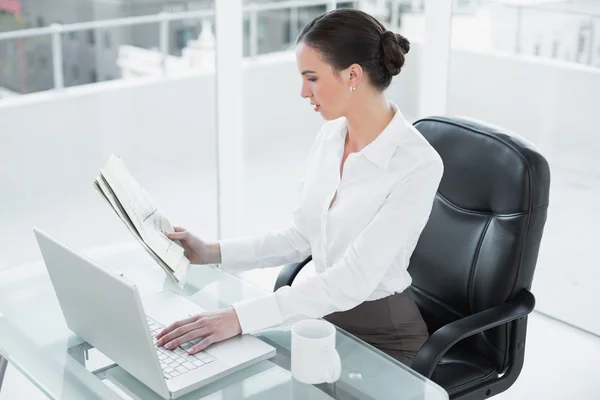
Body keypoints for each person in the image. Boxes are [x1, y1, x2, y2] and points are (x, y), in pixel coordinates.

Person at [156, 8, 443, 367]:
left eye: (312, 78)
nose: (303, 92)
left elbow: (354, 278)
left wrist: (240, 317)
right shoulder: (331, 137)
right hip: (319, 318)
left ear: (353, 74)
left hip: (384, 336)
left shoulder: (417, 164)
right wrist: (210, 252)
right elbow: (300, 238)